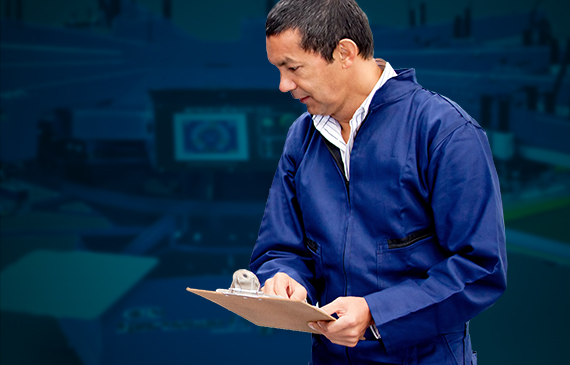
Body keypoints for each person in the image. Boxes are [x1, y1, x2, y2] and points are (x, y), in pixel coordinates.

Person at [250, 0, 507, 364]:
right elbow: (280, 246)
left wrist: (376, 312)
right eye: (278, 69)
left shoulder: (444, 132)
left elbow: (481, 267)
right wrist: (283, 277)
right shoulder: (302, 136)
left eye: (293, 68)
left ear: (344, 52)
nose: (284, 85)